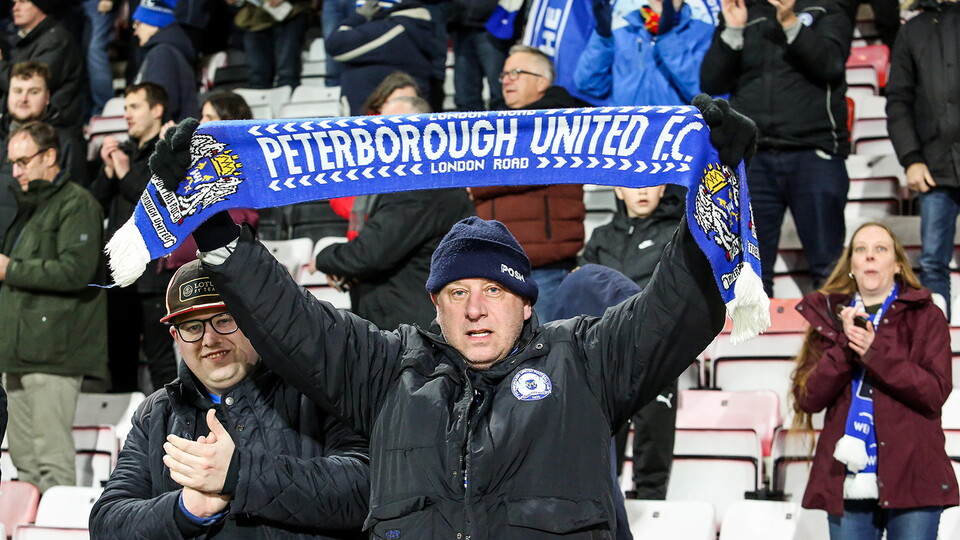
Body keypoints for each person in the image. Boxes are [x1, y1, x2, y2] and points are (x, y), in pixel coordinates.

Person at [147, 95, 753, 538]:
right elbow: (291, 318)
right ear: (435, 305)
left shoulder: (586, 360)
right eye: (457, 292)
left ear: (525, 301)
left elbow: (675, 309)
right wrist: (216, 226)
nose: (476, 307)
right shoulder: (387, 369)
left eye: (493, 290)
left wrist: (716, 184)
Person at [89, 260, 371, 538]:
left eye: (224, 320)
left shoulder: (317, 388)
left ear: (253, 319)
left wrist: (239, 474)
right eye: (192, 327)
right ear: (176, 336)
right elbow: (107, 523)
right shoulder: (156, 414)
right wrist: (185, 510)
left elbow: (367, 488)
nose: (210, 339)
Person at [789, 222, 958, 539]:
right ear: (851, 264)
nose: (870, 256)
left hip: (914, 472)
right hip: (847, 477)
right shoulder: (828, 318)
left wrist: (874, 352)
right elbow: (808, 399)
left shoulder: (926, 315)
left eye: (881, 249)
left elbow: (934, 391)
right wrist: (845, 343)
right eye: (861, 249)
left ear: (896, 264)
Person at [700, 0, 852, 296]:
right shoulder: (744, 12)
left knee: (828, 268)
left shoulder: (827, 9)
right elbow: (711, 80)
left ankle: (834, 340)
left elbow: (830, 64)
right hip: (755, 157)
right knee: (752, 271)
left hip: (814, 152)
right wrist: (732, 29)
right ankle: (756, 342)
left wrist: (790, 22)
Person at [0, 121, 107, 492]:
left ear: (49, 157)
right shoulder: (28, 209)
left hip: (54, 351)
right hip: (18, 352)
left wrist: (9, 267)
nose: (16, 171)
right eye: (12, 163)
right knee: (23, 461)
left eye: (23, 161)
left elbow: (76, 271)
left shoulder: (77, 204)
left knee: (51, 462)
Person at [307, 95, 475, 330]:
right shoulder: (420, 179)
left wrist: (324, 258)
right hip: (403, 316)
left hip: (414, 327)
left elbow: (370, 253)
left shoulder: (422, 185)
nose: (382, 137)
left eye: (392, 128)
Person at [579, 184, 684, 499]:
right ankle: (605, 507)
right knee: (604, 440)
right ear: (618, 191)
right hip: (607, 351)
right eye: (632, 185)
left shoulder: (676, 234)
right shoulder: (600, 237)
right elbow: (585, 290)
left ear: (663, 188)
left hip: (657, 350)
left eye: (651, 185)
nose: (642, 192)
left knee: (655, 434)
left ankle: (653, 502)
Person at [470, 45, 587, 322]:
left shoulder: (562, 122)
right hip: (495, 269)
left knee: (549, 355)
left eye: (517, 72)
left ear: (542, 82)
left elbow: (526, 169)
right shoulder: (494, 126)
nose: (507, 79)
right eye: (504, 74)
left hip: (543, 270)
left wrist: (475, 181)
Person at [90, 82, 178, 392]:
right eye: (125, 107)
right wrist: (107, 173)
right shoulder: (123, 152)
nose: (127, 115)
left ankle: (174, 428)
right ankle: (133, 434)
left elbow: (156, 203)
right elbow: (92, 205)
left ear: (157, 110)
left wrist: (126, 175)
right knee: (119, 361)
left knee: (162, 363)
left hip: (152, 276)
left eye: (135, 107)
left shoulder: (167, 152)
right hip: (117, 275)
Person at [886, 0, 960, 321]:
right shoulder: (911, 31)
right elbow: (898, 100)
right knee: (932, 263)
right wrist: (911, 158)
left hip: (935, 163)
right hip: (933, 166)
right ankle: (936, 344)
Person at [0, 61, 88, 241]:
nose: (23, 99)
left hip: (31, 257)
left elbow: (77, 208)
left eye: (33, 92)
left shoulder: (66, 143)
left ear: (47, 97)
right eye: (17, 91)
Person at [574, 0, 715, 107]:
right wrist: (602, 36)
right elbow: (589, 85)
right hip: (627, 135)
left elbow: (702, 93)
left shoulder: (706, 34)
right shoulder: (623, 34)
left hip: (676, 136)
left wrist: (667, 37)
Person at [325, 0, 443, 115]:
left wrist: (358, 17)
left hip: (383, 126)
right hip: (371, 122)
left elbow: (336, 44)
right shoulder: (406, 27)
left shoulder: (397, 28)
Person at [0, 0, 86, 130]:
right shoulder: (31, 41)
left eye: (22, 2)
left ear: (41, 6)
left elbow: (28, 81)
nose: (15, 8)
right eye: (14, 3)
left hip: (51, 133)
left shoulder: (55, 41)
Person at [131, 0, 200, 122]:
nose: (135, 32)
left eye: (138, 24)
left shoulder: (162, 54)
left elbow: (163, 105)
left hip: (167, 138)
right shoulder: (164, 51)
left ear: (153, 23)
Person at [228, 0, 311, 89]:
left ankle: (288, 101)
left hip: (289, 16)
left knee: (287, 74)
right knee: (257, 77)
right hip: (254, 21)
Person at [448, 0, 511, 111]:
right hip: (460, 27)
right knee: (465, 96)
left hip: (495, 27)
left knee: (500, 92)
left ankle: (502, 127)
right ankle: (470, 127)